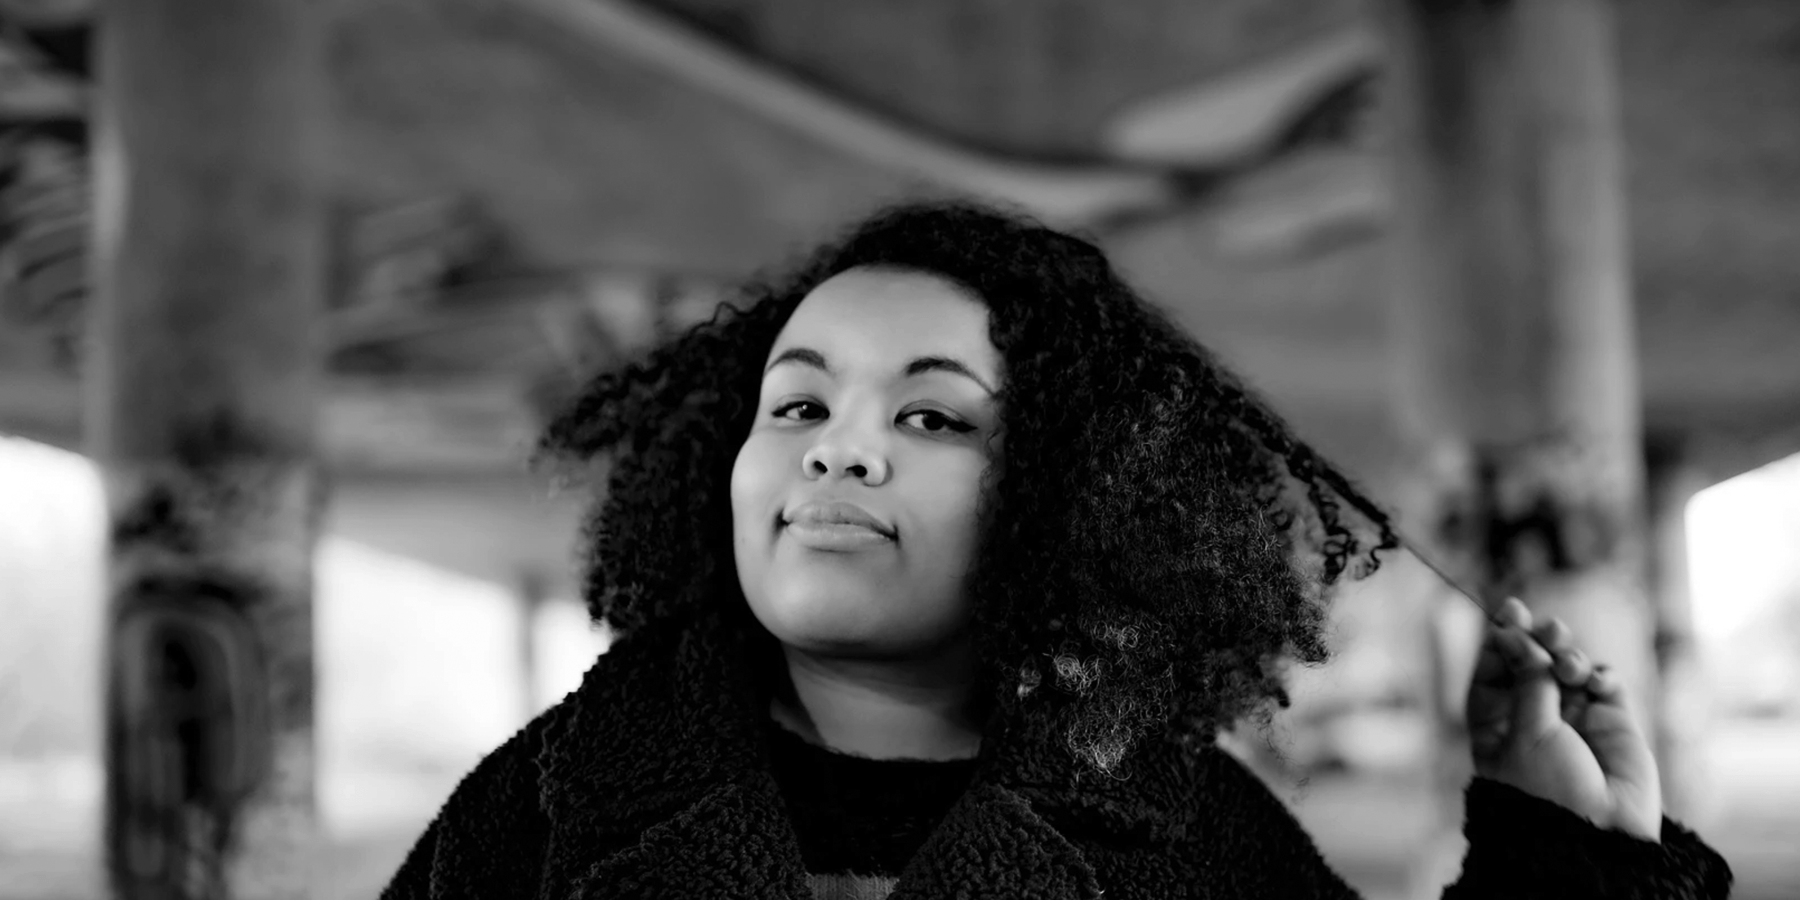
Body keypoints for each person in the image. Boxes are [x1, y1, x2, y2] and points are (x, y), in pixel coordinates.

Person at [379, 200, 1731, 899]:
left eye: (930, 415)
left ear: (1067, 505)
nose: (839, 450)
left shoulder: (1196, 834)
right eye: (796, 405)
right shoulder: (545, 805)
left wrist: (1569, 857)